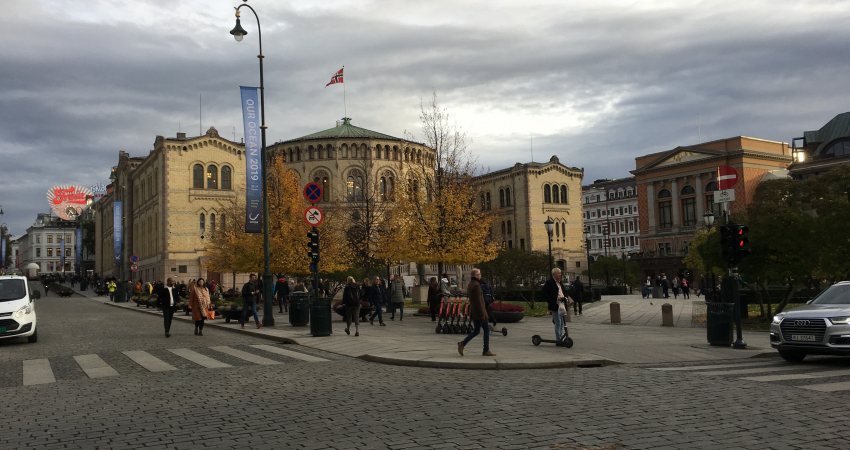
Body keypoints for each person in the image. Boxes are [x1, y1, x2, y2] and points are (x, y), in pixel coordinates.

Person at [456, 268, 494, 357]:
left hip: (475, 312)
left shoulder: (471, 284)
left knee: (476, 331)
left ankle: (462, 344)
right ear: (475, 276)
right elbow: (479, 302)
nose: (480, 275)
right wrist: (483, 314)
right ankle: (486, 350)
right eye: (479, 274)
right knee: (486, 330)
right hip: (480, 313)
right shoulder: (476, 285)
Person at [542, 268, 569, 343]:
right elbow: (544, 293)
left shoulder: (560, 282)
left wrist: (565, 297)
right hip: (555, 305)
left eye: (560, 273)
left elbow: (564, 291)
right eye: (558, 273)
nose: (560, 275)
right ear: (553, 274)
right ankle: (559, 339)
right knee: (558, 322)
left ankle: (562, 338)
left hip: (562, 305)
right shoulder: (549, 282)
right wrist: (551, 301)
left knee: (563, 322)